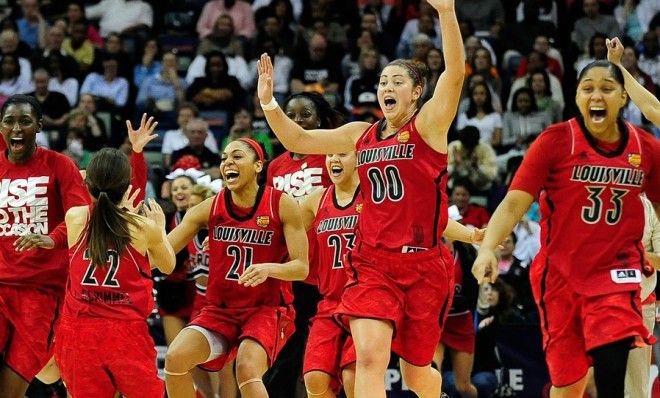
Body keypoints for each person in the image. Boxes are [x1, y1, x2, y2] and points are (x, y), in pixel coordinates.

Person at [256, 0, 464, 395]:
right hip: (372, 264)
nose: (386, 86)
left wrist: (447, 13)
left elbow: (454, 75)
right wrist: (269, 102)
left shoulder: (429, 126)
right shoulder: (359, 133)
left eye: (397, 81)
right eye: (383, 81)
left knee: (417, 373)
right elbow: (295, 139)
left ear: (417, 91)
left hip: (424, 265)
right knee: (368, 357)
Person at [472, 60, 660, 398]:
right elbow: (515, 202)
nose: (596, 95)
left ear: (623, 98)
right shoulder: (556, 142)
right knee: (569, 381)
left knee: (612, 363)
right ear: (576, 96)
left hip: (616, 273)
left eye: (607, 88)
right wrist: (488, 247)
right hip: (561, 276)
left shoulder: (645, 148)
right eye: (588, 88)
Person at [163, 138, 309, 398]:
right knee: (175, 358)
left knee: (246, 369)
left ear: (257, 166)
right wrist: (152, 232)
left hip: (265, 309)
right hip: (221, 311)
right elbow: (162, 255)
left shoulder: (281, 204)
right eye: (223, 158)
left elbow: (301, 267)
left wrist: (269, 269)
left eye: (237, 156)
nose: (228, 162)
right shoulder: (209, 208)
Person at [54, 147, 175, 397]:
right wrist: (161, 228)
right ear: (128, 185)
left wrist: (90, 178)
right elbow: (167, 265)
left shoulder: (75, 217)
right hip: (126, 333)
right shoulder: (143, 227)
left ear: (89, 184)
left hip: (79, 331)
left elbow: (75, 179)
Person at [0, 94, 92, 397]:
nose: (16, 128)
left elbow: (80, 216)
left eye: (25, 121)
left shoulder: (59, 165)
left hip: (41, 294)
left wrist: (52, 238)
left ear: (39, 125)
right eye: (9, 121)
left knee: (12, 389)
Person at [299, 152, 361, 398]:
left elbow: (422, 216)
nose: (334, 159)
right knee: (314, 379)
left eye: (342, 154)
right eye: (329, 154)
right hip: (330, 302)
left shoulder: (375, 195)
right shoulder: (316, 199)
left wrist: (469, 235)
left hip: (366, 302)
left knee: (354, 377)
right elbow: (282, 233)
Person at [607, 36, 660, 127]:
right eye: (624, 55)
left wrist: (616, 64)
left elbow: (652, 108)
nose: (626, 58)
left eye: (630, 55)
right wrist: (616, 64)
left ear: (636, 59)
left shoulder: (645, 78)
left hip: (643, 124)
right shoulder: (611, 78)